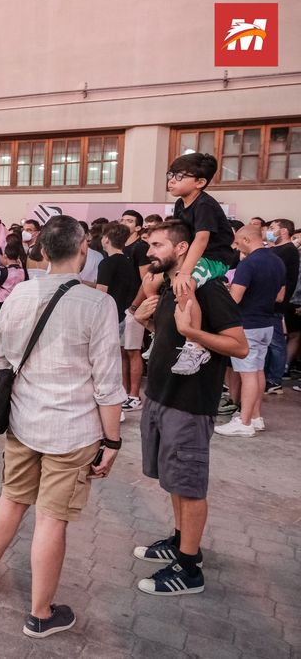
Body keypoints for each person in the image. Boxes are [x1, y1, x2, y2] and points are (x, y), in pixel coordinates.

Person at [0, 215, 125, 638]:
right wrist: (113, 440)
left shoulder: (18, 294)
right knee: (52, 519)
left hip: (22, 421)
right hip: (73, 431)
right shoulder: (98, 304)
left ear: (41, 251)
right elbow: (109, 383)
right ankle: (40, 613)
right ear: (83, 250)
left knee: (13, 498)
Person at [131, 220, 247, 595]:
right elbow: (172, 339)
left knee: (190, 486)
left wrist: (194, 333)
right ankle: (181, 541)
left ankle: (189, 567)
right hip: (161, 397)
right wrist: (147, 322)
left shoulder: (210, 289)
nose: (150, 252)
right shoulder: (172, 286)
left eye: (158, 244)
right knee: (174, 480)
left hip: (189, 404)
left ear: (182, 249)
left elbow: (239, 346)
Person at [158, 153, 236, 375]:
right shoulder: (180, 204)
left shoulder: (205, 205)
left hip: (215, 258)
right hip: (195, 255)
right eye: (171, 175)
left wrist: (184, 272)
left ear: (200, 182)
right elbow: (179, 236)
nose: (171, 180)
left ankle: (195, 345)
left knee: (185, 285)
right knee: (152, 279)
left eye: (179, 176)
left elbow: (201, 240)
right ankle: (160, 334)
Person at [214, 225, 285, 437]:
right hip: (266, 322)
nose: (236, 247)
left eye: (237, 242)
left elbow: (235, 298)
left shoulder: (249, 263)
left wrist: (224, 291)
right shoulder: (277, 261)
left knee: (248, 374)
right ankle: (256, 417)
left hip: (247, 324)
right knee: (257, 370)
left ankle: (244, 422)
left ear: (246, 239)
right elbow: (280, 296)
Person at [120, 210, 152, 412]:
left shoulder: (140, 248)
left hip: (134, 307)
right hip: (120, 306)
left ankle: (134, 395)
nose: (125, 223)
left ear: (138, 227)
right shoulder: (121, 247)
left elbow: (146, 280)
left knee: (133, 351)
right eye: (123, 219)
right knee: (122, 352)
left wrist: (135, 306)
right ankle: (124, 393)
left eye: (130, 221)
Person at [264, 218, 299, 394]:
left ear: (284, 231)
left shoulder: (288, 251)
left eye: (272, 228)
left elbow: (284, 280)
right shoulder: (274, 249)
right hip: (264, 303)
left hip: (276, 303)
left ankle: (274, 379)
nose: (269, 231)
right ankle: (266, 376)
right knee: (268, 342)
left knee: (276, 342)